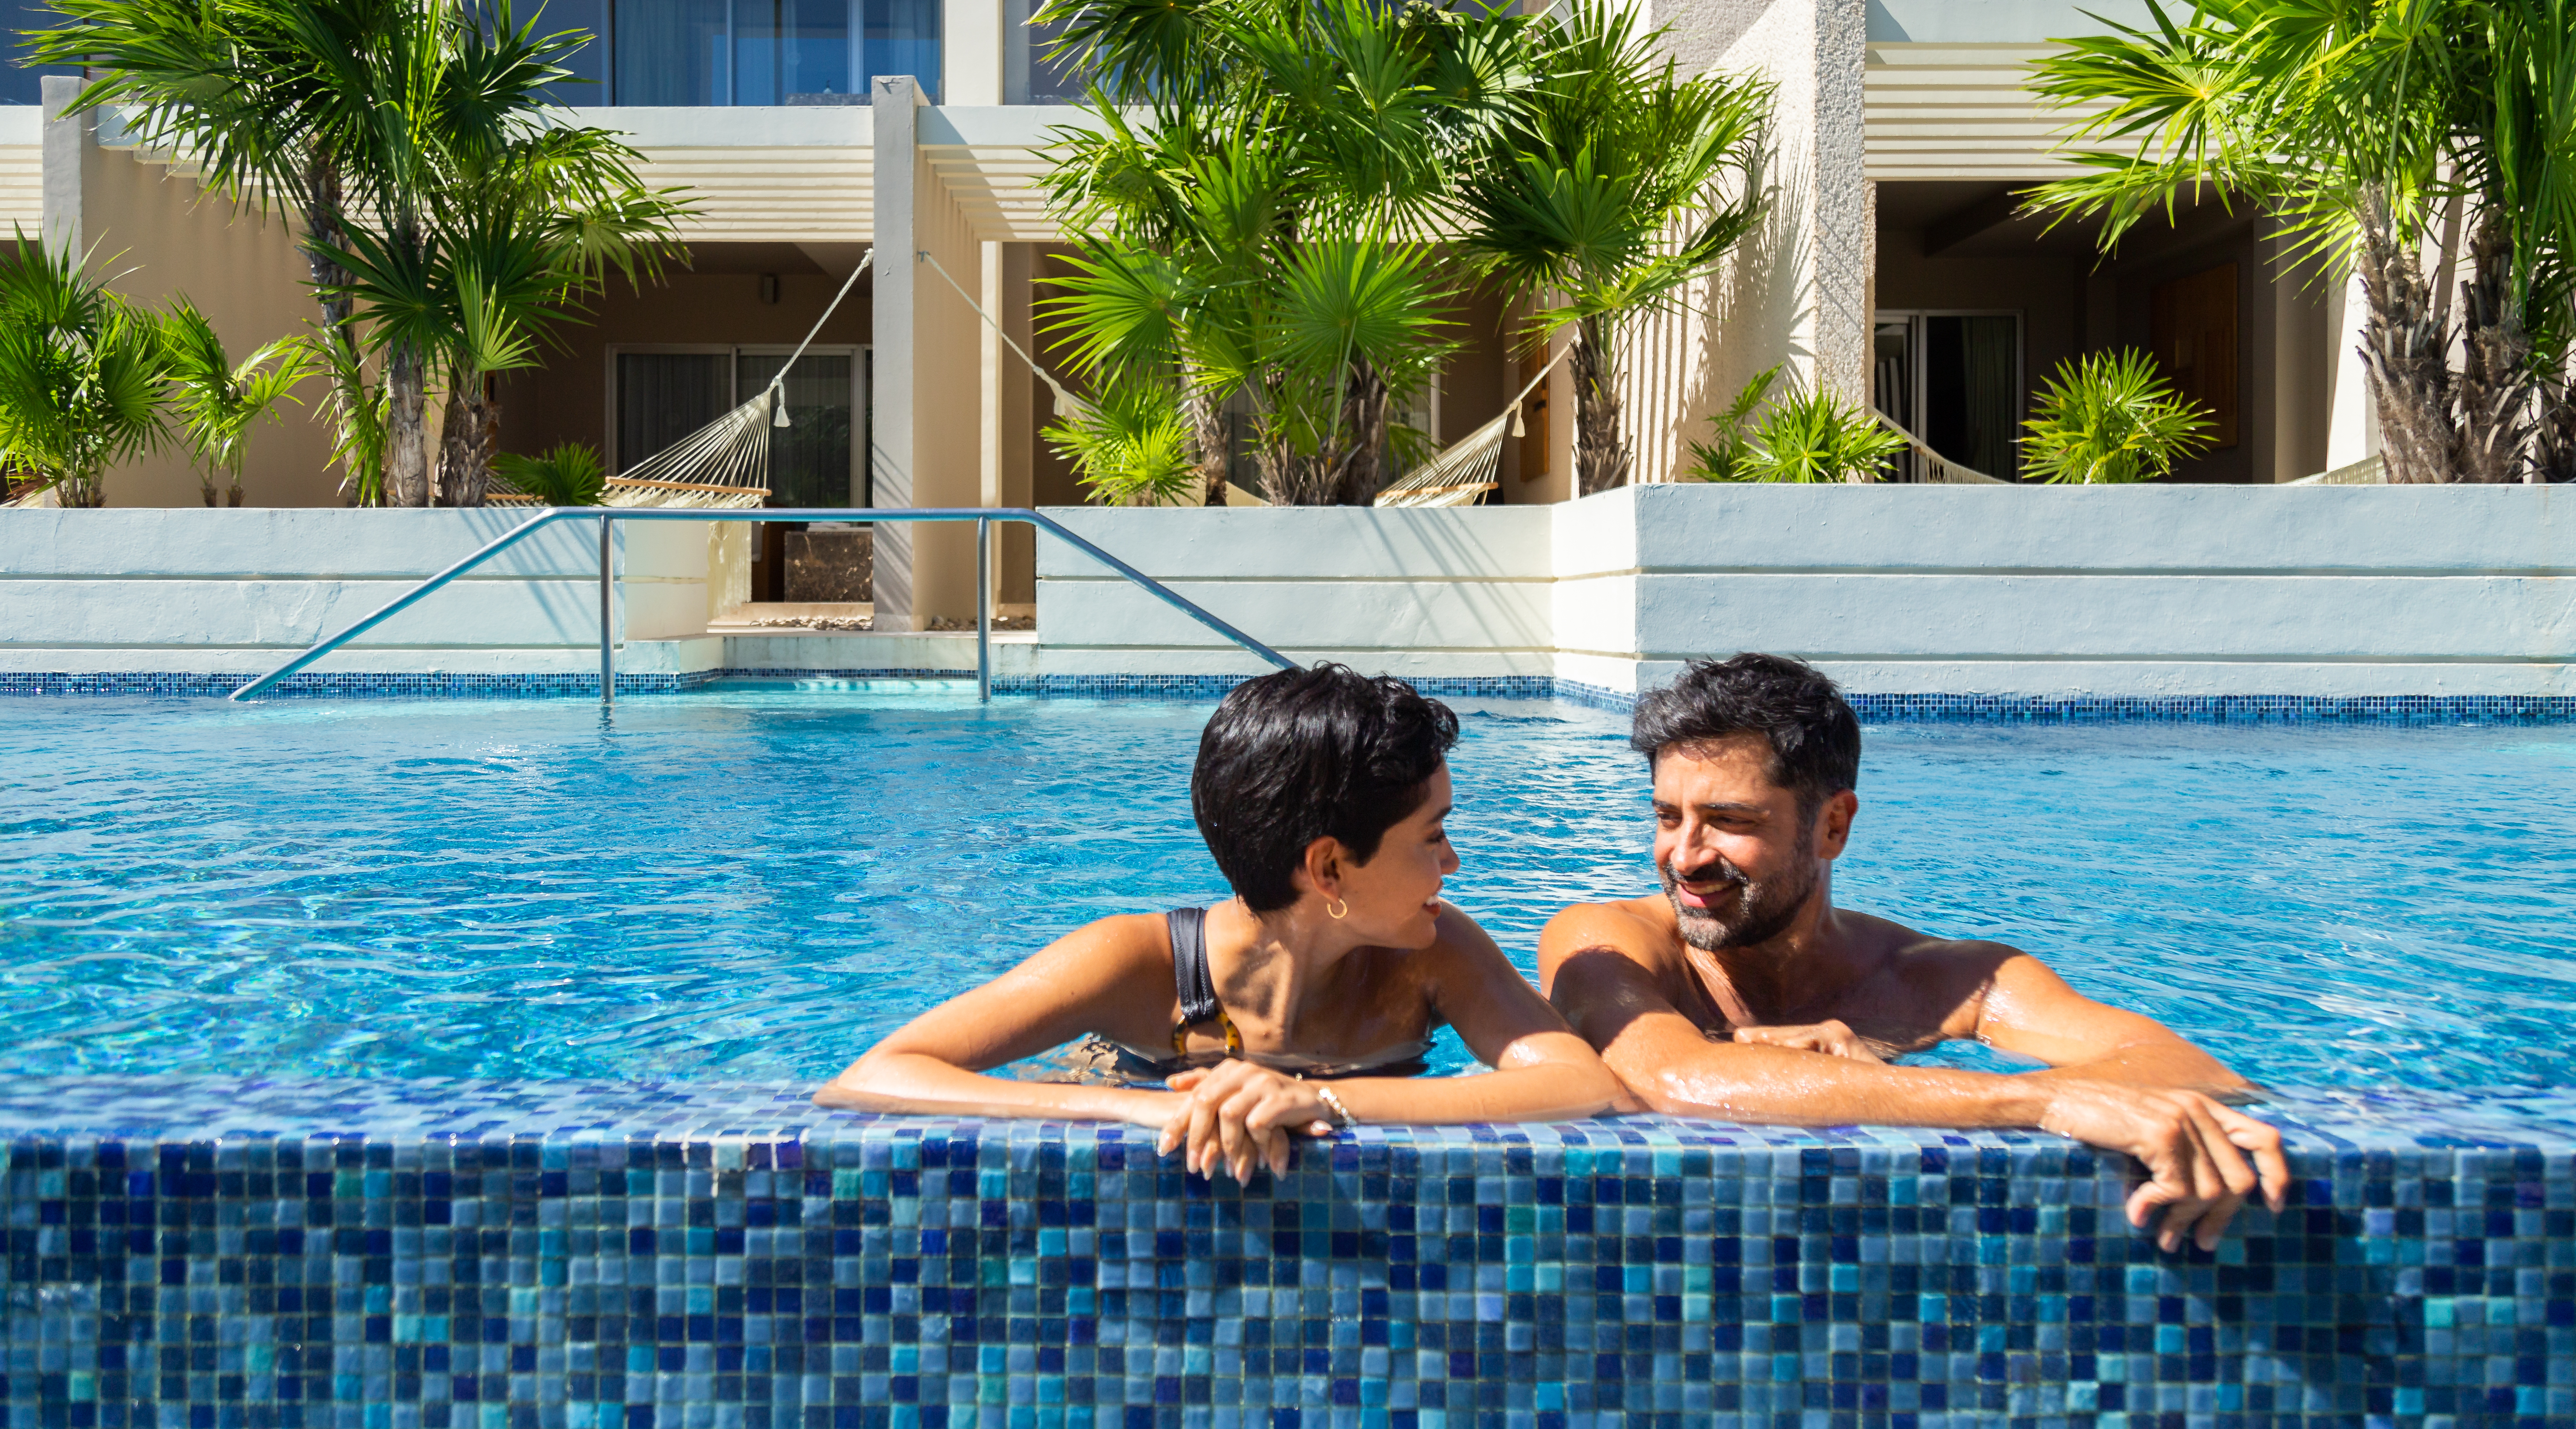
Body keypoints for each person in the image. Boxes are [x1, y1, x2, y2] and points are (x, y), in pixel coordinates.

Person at [1538, 652, 2293, 1254]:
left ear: (1834, 826)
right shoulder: (1606, 941)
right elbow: (1676, 1076)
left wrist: (1888, 1087)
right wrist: (2041, 1099)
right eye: (1668, 817)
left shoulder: (1950, 980)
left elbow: (2196, 1068)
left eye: (1729, 820)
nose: (1686, 856)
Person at [816, 664, 1624, 1180]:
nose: (1453, 864)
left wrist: (1321, 1102)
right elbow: (875, 1075)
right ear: (1330, 869)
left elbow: (1581, 1083)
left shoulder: (1433, 950)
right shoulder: (1137, 962)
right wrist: (1143, 1108)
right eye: (1433, 835)